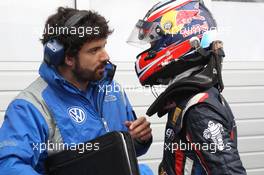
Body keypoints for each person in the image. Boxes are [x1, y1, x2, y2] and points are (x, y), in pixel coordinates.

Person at [0, 7, 153, 175]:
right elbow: (9, 166)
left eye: (104, 46)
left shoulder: (112, 90)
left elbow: (126, 152)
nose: (105, 56)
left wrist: (139, 139)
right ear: (68, 58)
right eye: (94, 50)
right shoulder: (31, 106)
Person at [127, 0, 247, 174]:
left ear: (179, 39)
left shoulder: (199, 108)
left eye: (153, 43)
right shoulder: (189, 95)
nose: (150, 50)